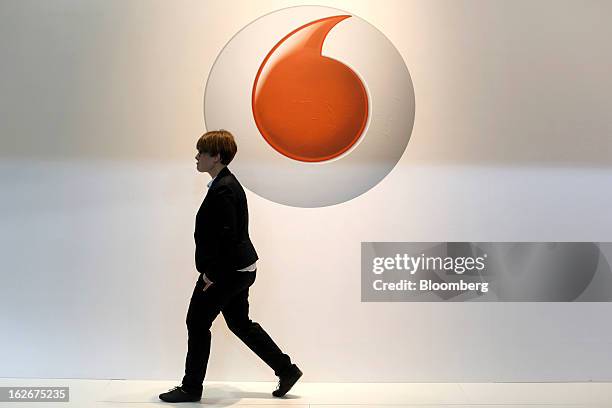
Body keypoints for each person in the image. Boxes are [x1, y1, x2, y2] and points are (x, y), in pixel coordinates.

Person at [159, 130, 302, 403]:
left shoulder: (224, 188)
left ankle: (191, 388)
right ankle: (287, 369)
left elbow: (227, 236)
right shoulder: (224, 183)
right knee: (240, 324)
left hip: (227, 272)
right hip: (241, 269)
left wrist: (211, 274)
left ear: (217, 157)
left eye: (202, 152)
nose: (197, 157)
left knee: (197, 322)